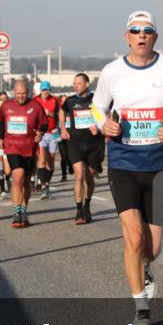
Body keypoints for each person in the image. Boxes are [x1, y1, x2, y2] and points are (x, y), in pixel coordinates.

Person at [92, 10, 163, 325]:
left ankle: (145, 266)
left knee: (152, 248)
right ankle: (141, 309)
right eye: (135, 30)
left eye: (147, 30)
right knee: (134, 237)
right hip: (123, 163)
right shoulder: (111, 71)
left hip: (158, 165)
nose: (141, 35)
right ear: (127, 36)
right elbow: (97, 106)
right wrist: (104, 125)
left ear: (155, 37)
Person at [0, 78, 47, 227]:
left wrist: (41, 133)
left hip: (29, 148)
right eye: (18, 93)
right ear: (14, 92)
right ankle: (16, 212)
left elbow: (44, 123)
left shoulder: (36, 106)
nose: (21, 96)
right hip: (12, 147)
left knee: (26, 182)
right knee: (18, 177)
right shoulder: (6, 105)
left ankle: (24, 210)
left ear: (28, 92)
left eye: (23, 93)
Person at [60, 73, 103, 224]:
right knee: (79, 176)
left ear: (87, 84)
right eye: (74, 83)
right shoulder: (70, 101)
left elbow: (107, 115)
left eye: (78, 83)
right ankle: (79, 210)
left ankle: (87, 206)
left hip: (93, 145)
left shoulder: (97, 100)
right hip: (75, 144)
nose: (75, 86)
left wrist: (99, 127)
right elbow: (62, 111)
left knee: (89, 178)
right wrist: (63, 129)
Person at [34, 81, 61, 199]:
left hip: (53, 133)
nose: (45, 92)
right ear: (40, 90)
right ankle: (44, 186)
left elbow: (60, 115)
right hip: (41, 133)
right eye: (43, 90)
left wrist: (49, 113)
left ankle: (46, 183)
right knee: (42, 160)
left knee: (51, 163)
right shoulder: (35, 100)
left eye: (47, 90)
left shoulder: (55, 100)